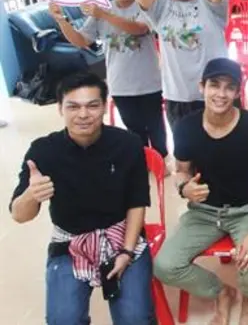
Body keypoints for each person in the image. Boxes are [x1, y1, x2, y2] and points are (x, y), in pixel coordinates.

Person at [9, 72, 154, 323]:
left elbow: (137, 202)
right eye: (73, 107)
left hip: (121, 236)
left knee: (136, 319)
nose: (83, 115)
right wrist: (32, 195)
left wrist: (127, 252)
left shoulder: (128, 144)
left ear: (105, 107)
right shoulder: (43, 150)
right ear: (60, 109)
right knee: (63, 320)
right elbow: (19, 215)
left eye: (92, 105)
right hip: (70, 242)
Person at [153, 58, 248, 325]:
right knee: (165, 266)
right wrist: (185, 188)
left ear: (238, 92)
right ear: (202, 87)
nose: (221, 94)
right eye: (214, 85)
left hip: (246, 210)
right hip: (205, 212)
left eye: (229, 87)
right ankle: (221, 292)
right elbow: (181, 170)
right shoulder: (186, 128)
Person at [48, 0, 167, 161]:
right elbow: (81, 40)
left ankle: (161, 160)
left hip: (150, 83)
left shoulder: (143, 6)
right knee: (134, 130)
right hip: (120, 85)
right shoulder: (101, 10)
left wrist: (104, 14)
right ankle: (141, 161)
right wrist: (61, 21)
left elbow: (139, 29)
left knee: (156, 127)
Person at [123, 0, 228, 127]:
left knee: (223, 155)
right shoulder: (162, 7)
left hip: (218, 95)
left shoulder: (211, 6)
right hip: (179, 97)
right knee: (186, 156)